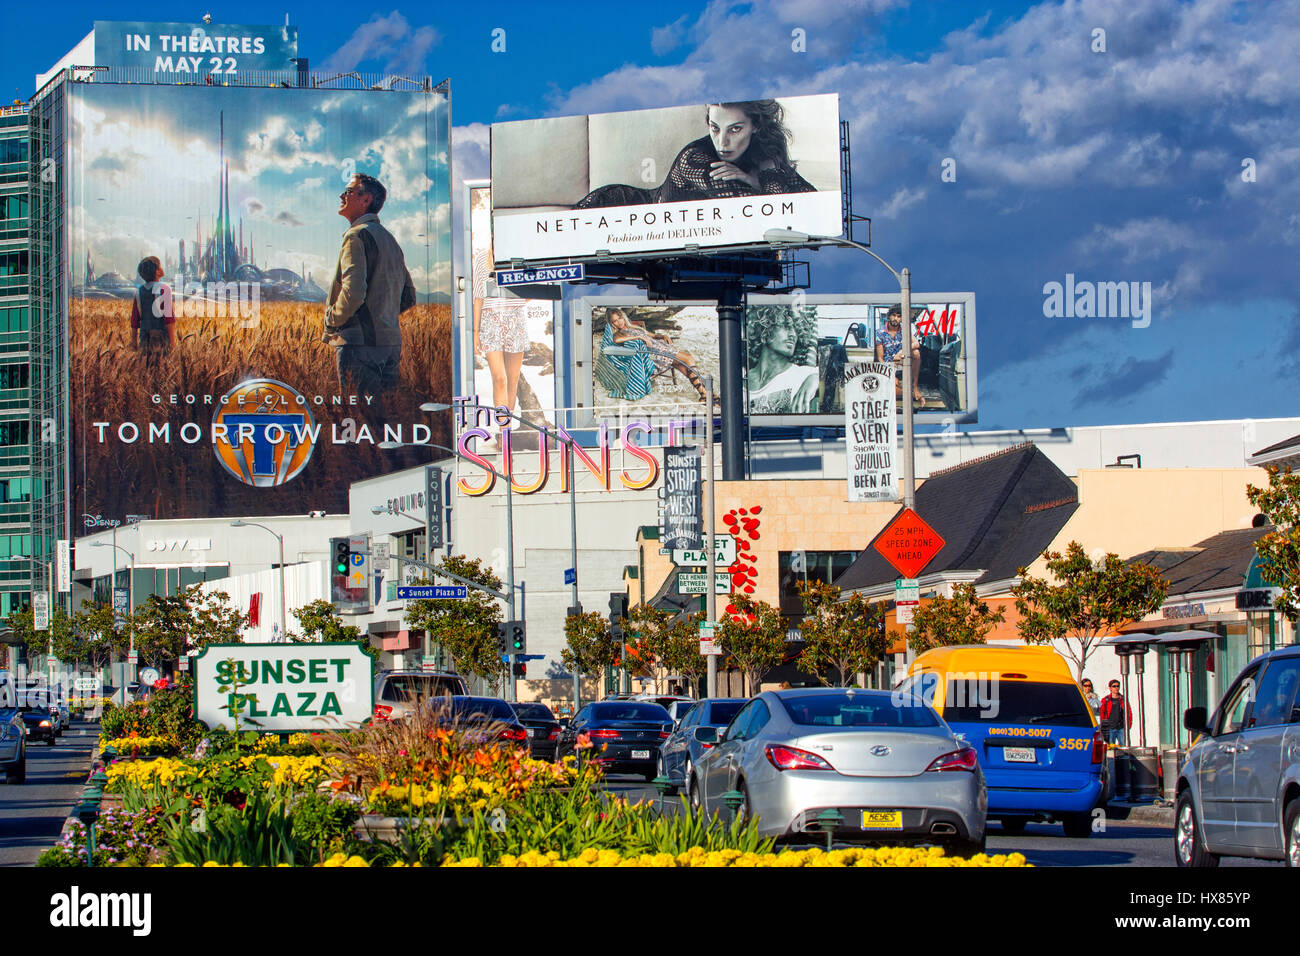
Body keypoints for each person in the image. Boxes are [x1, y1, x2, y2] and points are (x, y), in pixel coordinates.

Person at [576, 100, 816, 209]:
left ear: (756, 126)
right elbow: (765, 206)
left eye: (735, 129)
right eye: (715, 128)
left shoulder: (764, 149)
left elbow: (812, 199)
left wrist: (755, 177)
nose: (723, 142)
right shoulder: (695, 158)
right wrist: (761, 177)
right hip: (617, 207)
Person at [324, 174, 416, 399]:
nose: (342, 195)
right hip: (390, 344)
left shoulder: (356, 236)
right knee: (385, 417)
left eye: (349, 191)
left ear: (366, 200)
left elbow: (353, 293)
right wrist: (382, 315)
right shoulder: (390, 240)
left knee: (361, 419)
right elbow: (409, 296)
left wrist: (332, 319)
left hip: (360, 345)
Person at [473, 241, 527, 449]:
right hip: (490, 320)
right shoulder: (480, 258)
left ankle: (507, 431)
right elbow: (478, 297)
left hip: (515, 319)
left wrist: (515, 303)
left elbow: (535, 288)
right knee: (500, 377)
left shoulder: (519, 254)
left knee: (513, 379)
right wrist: (476, 332)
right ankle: (503, 429)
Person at [600, 308, 713, 404]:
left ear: (623, 317)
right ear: (612, 324)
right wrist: (639, 338)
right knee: (688, 358)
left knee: (683, 366)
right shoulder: (618, 334)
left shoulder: (635, 328)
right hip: (655, 356)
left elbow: (653, 335)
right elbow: (617, 340)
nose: (619, 322)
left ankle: (704, 395)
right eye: (615, 321)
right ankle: (706, 393)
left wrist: (662, 335)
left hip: (661, 348)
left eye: (619, 318)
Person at [747, 306, 819, 413]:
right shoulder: (742, 379)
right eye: (786, 327)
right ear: (764, 332)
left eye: (795, 330)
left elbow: (840, 378)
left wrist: (816, 379)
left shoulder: (804, 375)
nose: (793, 335)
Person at [875, 305, 923, 406]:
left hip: (903, 362)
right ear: (889, 316)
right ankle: (911, 394)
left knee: (916, 353)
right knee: (893, 386)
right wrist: (889, 373)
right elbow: (880, 358)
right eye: (893, 315)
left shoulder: (905, 330)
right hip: (890, 365)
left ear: (902, 318)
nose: (896, 318)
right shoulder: (880, 333)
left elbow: (916, 344)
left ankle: (915, 386)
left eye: (899, 316)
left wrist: (901, 352)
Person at [129, 256, 175, 356]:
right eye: (160, 266)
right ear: (157, 272)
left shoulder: (138, 292)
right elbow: (169, 319)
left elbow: (134, 320)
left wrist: (133, 342)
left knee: (147, 368)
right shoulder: (164, 288)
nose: (162, 268)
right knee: (161, 368)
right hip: (161, 339)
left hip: (144, 340)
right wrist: (172, 343)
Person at [1098, 679, 1132, 745]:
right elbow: (1101, 714)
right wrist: (1103, 727)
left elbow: (1129, 712)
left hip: (1121, 728)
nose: (1116, 688)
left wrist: (1128, 725)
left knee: (1124, 747)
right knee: (1110, 748)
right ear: (1110, 688)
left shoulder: (1123, 699)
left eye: (1117, 686)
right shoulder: (1105, 700)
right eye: (1114, 686)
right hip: (1110, 728)